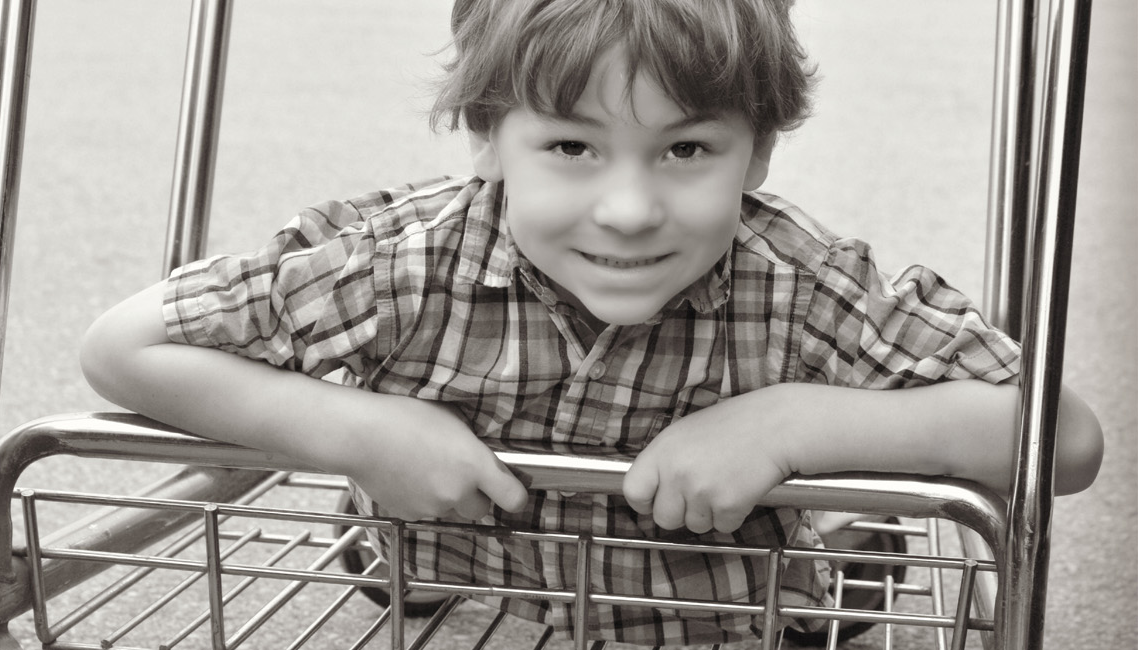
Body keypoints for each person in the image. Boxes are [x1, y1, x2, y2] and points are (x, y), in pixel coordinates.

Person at [79, 0, 1104, 645]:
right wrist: (357, 432)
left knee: (828, 573)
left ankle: (849, 528)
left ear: (755, 156)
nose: (627, 208)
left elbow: (1061, 438)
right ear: (488, 138)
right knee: (401, 490)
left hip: (717, 607)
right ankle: (385, 524)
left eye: (686, 150)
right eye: (571, 146)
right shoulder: (403, 260)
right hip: (452, 544)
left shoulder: (795, 280)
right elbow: (122, 346)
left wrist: (790, 424)